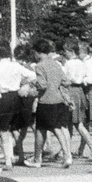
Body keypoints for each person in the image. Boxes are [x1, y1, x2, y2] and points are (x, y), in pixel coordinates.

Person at [62, 38, 92, 163]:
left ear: (70, 51)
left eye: (65, 51)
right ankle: (74, 150)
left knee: (75, 123)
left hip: (73, 90)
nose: (64, 54)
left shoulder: (70, 64)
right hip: (81, 92)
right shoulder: (82, 63)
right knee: (79, 122)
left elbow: (68, 79)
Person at [30, 39, 73, 168]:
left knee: (53, 128)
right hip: (58, 99)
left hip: (46, 100)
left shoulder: (39, 66)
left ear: (37, 53)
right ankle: (37, 157)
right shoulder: (56, 64)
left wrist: (33, 84)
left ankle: (66, 155)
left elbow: (42, 85)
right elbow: (65, 81)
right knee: (43, 129)